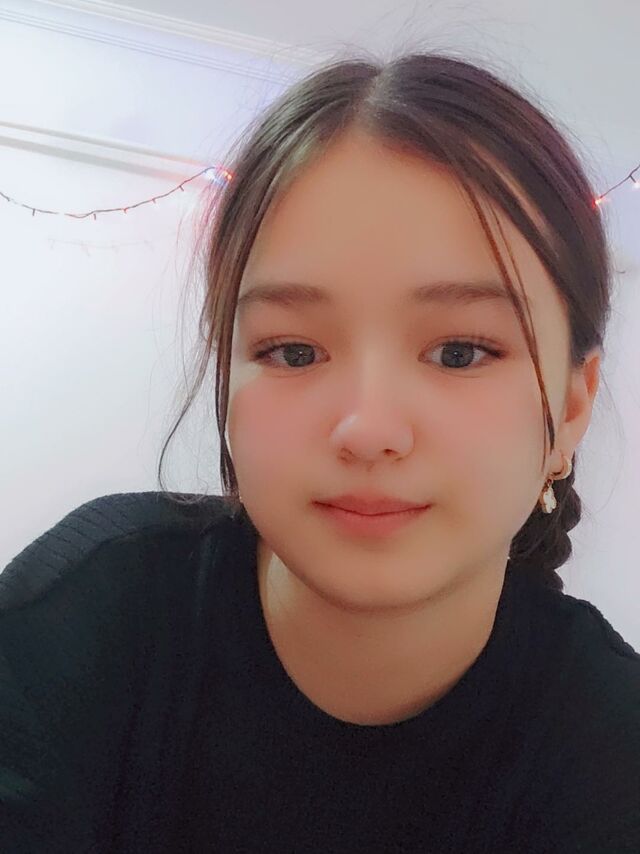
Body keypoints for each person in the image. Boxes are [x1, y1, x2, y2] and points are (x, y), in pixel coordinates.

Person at [2, 50, 639, 853]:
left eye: (460, 352)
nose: (367, 428)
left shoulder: (610, 752)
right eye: (295, 352)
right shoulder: (88, 616)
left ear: (573, 406)